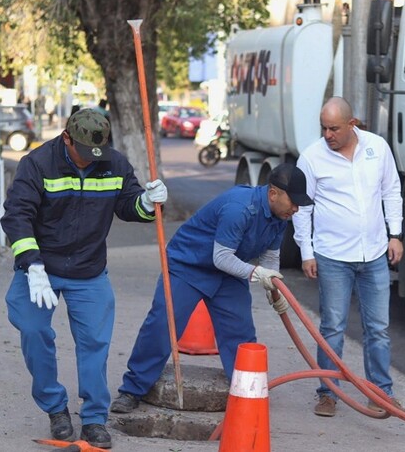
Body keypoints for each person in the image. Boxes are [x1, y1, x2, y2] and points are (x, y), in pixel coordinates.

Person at [1, 108, 168, 449]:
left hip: (88, 269)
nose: (91, 160)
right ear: (66, 139)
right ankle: (55, 408)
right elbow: (17, 215)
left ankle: (93, 418)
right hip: (41, 267)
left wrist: (147, 203)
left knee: (94, 344)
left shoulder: (114, 163)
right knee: (33, 331)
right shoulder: (37, 164)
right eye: (83, 152)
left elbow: (128, 206)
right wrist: (32, 265)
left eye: (99, 152)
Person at [110, 163, 314, 414]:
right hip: (188, 265)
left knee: (241, 334)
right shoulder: (239, 208)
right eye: (293, 201)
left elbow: (270, 258)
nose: (296, 208)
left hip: (229, 272)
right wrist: (256, 273)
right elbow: (222, 257)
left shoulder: (279, 216)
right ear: (273, 193)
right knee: (163, 325)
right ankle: (132, 389)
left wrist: (275, 291)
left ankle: (248, 392)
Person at [292, 97, 405, 418]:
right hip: (332, 256)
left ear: (352, 124)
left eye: (334, 128)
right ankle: (327, 393)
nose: (327, 134)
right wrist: (306, 252)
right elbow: (302, 209)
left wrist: (395, 234)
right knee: (332, 327)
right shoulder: (312, 157)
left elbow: (391, 190)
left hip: (373, 252)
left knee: (378, 328)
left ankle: (380, 394)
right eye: (323, 128)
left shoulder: (377, 147)